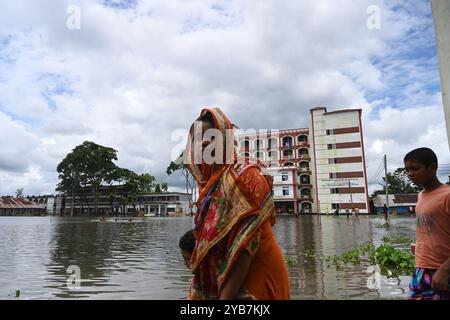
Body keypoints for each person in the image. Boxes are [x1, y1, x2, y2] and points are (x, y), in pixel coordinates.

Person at [186, 108, 290, 300]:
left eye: (212, 135)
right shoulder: (208, 187)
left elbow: (246, 246)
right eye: (199, 137)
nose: (205, 142)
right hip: (226, 281)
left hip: (254, 279)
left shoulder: (245, 174)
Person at [404, 147, 450, 300]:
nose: (410, 174)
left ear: (433, 167)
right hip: (422, 266)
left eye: (415, 169)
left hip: (441, 270)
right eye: (407, 170)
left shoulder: (447, 195)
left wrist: (445, 270)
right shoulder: (421, 196)